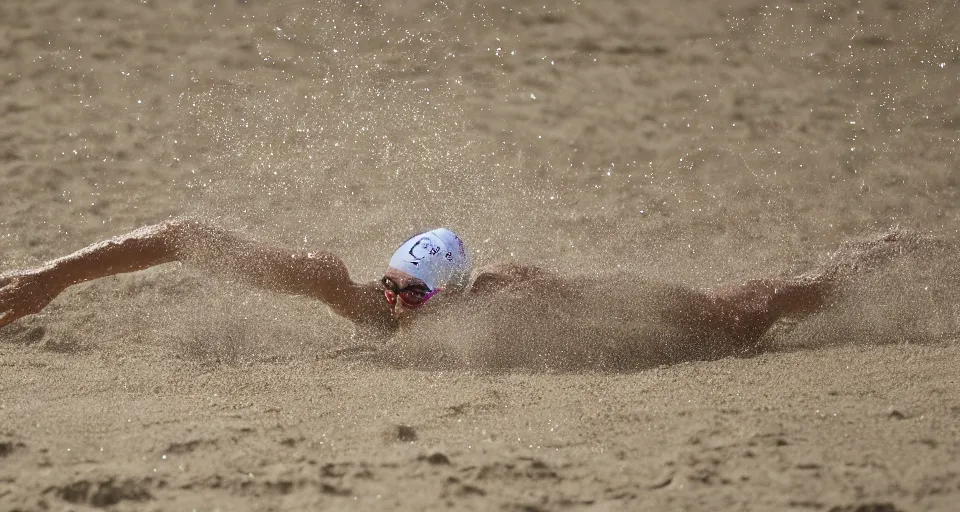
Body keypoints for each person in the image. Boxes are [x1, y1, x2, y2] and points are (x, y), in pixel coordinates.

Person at [0, 219, 921, 358]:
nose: (393, 307)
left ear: (452, 299)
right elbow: (184, 237)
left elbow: (629, 320)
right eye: (392, 287)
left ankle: (901, 251)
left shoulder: (516, 303)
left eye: (413, 298)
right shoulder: (351, 291)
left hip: (632, 311)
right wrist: (46, 279)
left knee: (758, 309)